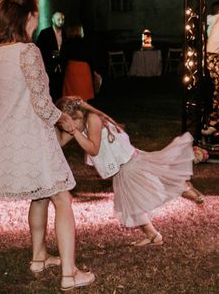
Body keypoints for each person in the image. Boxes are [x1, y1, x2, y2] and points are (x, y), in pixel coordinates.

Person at [0, 0, 95, 291]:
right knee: (62, 198)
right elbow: (41, 104)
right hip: (31, 135)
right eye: (37, 14)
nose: (37, 20)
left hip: (5, 135)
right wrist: (66, 120)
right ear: (26, 17)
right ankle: (69, 274)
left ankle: (39, 256)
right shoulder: (28, 53)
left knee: (40, 193)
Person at [55, 96, 204, 246]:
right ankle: (153, 235)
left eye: (71, 124)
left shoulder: (92, 119)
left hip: (129, 164)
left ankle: (183, 188)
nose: (68, 129)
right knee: (131, 203)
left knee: (149, 191)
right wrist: (49, 124)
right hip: (122, 169)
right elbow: (59, 142)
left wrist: (74, 131)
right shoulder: (76, 126)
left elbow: (93, 149)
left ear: (78, 116)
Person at [61, 23, 101, 101]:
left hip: (71, 69)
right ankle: (83, 110)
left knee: (71, 94)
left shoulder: (66, 43)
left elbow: (63, 58)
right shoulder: (86, 42)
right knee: (84, 94)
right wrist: (95, 70)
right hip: (84, 70)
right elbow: (91, 58)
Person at [36, 11, 65, 101]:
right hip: (49, 67)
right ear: (53, 20)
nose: (61, 21)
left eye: (62, 19)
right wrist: (50, 56)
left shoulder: (65, 33)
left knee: (61, 93)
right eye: (58, 19)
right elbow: (38, 49)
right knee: (50, 92)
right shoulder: (45, 33)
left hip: (62, 68)